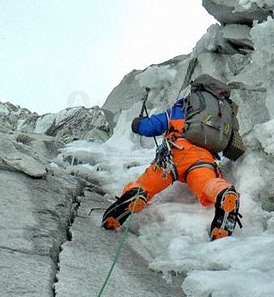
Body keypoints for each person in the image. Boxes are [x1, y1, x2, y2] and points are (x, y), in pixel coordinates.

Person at [101, 79, 243, 240]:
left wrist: (137, 124)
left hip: (177, 151)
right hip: (205, 157)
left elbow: (153, 126)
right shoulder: (225, 113)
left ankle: (136, 195)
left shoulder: (183, 106)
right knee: (206, 184)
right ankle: (223, 193)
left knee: (147, 184)